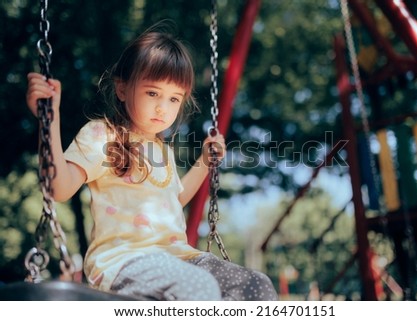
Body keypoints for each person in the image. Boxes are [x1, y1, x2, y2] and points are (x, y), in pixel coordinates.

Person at [26, 23, 278, 301]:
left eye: (173, 98)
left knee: (257, 286)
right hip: (125, 262)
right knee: (198, 288)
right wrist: (50, 122)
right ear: (122, 89)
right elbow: (59, 189)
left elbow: (172, 203)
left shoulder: (162, 149)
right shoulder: (102, 134)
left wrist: (204, 162)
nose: (163, 107)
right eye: (152, 93)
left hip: (179, 258)